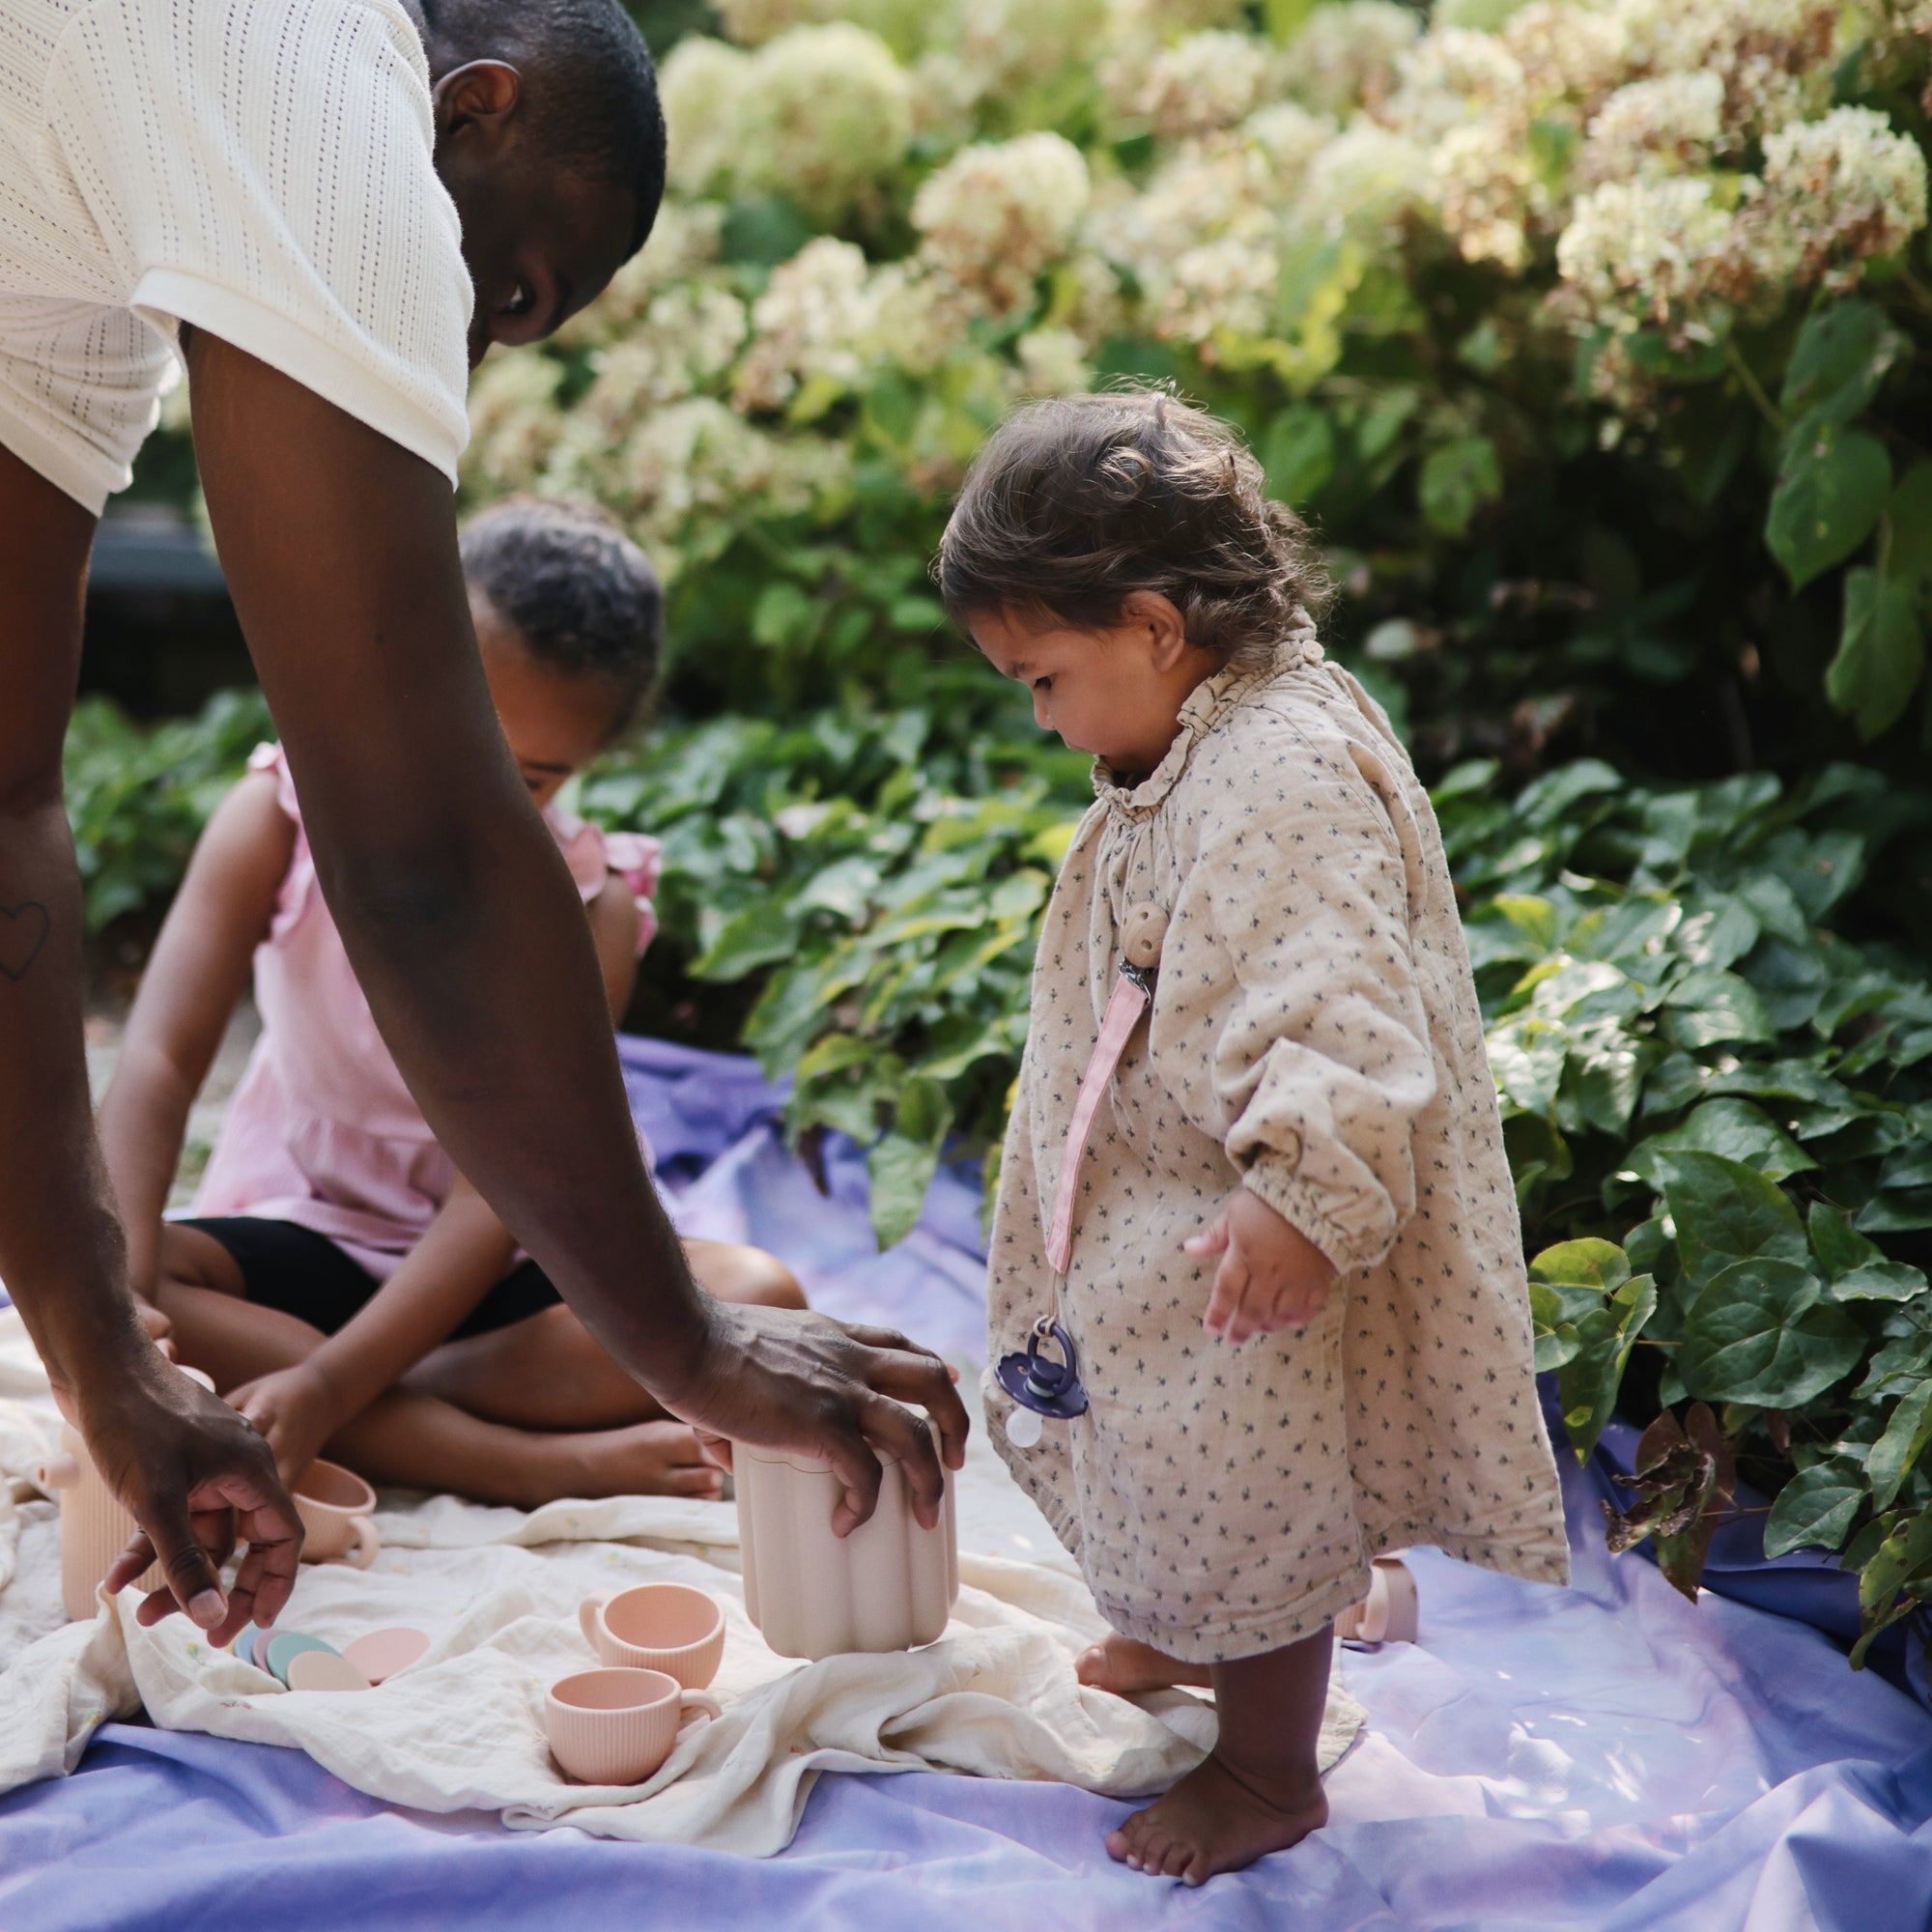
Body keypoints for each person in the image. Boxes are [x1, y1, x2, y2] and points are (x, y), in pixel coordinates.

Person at [0, 0, 966, 1649]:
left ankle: (420, 1406)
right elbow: (426, 864)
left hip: (435, 1307)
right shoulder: (323, 91)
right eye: (522, 282)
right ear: (474, 109)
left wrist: (109, 1377)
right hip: (308, 1265)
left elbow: (8, 803)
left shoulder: (84, 242)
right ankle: (487, 1427)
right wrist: (695, 1356)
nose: (505, 332)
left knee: (745, 1289)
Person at [938, 390, 1569, 1886]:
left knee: (1251, 1460)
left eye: (1044, 679)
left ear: (1155, 626)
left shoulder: (1279, 773)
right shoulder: (1199, 728)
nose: (1039, 718)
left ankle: (1266, 1765)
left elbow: (1335, 1003)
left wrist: (1306, 1195)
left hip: (1252, 1221)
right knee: (1153, 1425)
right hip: (1166, 1180)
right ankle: (1177, 1613)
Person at [99, 498, 809, 1508]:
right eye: (455, 732)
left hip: (492, 1278)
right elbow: (161, 1056)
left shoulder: (592, 908)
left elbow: (499, 1193)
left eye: (526, 777)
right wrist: (124, 1319)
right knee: (110, 1275)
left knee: (762, 1304)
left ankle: (384, 1403)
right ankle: (509, 1458)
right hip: (305, 1225)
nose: (469, 796)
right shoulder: (280, 811)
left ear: (588, 764)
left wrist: (331, 1374)